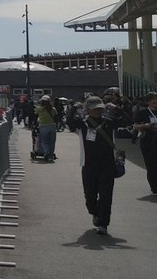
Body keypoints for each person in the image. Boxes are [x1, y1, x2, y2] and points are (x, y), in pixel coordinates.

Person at [66, 96, 129, 234]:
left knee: (106, 195)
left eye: (100, 108)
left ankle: (103, 224)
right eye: (95, 109)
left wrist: (117, 108)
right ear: (88, 110)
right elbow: (69, 122)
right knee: (90, 196)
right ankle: (95, 212)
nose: (98, 111)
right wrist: (74, 107)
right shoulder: (83, 124)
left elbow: (128, 121)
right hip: (88, 164)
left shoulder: (109, 122)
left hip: (107, 164)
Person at [133, 92, 157, 195]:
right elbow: (135, 126)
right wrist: (145, 125)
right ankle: (154, 187)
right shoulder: (142, 113)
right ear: (148, 102)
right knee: (151, 165)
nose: (156, 104)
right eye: (154, 102)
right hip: (148, 141)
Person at [34, 95, 59, 162]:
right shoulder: (53, 109)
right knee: (52, 141)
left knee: (44, 141)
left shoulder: (39, 109)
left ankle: (46, 152)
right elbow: (56, 118)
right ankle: (51, 155)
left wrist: (34, 125)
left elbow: (35, 117)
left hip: (43, 126)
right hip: (52, 126)